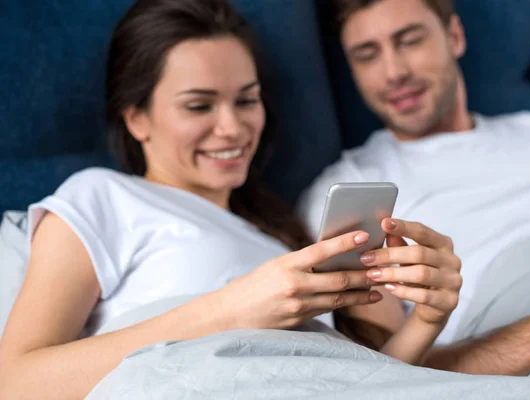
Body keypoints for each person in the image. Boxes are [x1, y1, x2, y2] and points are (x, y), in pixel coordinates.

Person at [0, 0, 462, 398]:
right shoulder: (103, 195)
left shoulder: (283, 238)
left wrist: (427, 319)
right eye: (199, 106)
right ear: (137, 119)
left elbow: (367, 384)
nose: (233, 128)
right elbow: (14, 384)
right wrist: (232, 310)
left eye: (246, 100)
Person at [298, 0, 530, 377]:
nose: (394, 72)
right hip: (527, 342)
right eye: (367, 55)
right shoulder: (349, 192)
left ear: (454, 36)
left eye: (409, 41)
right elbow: (388, 371)